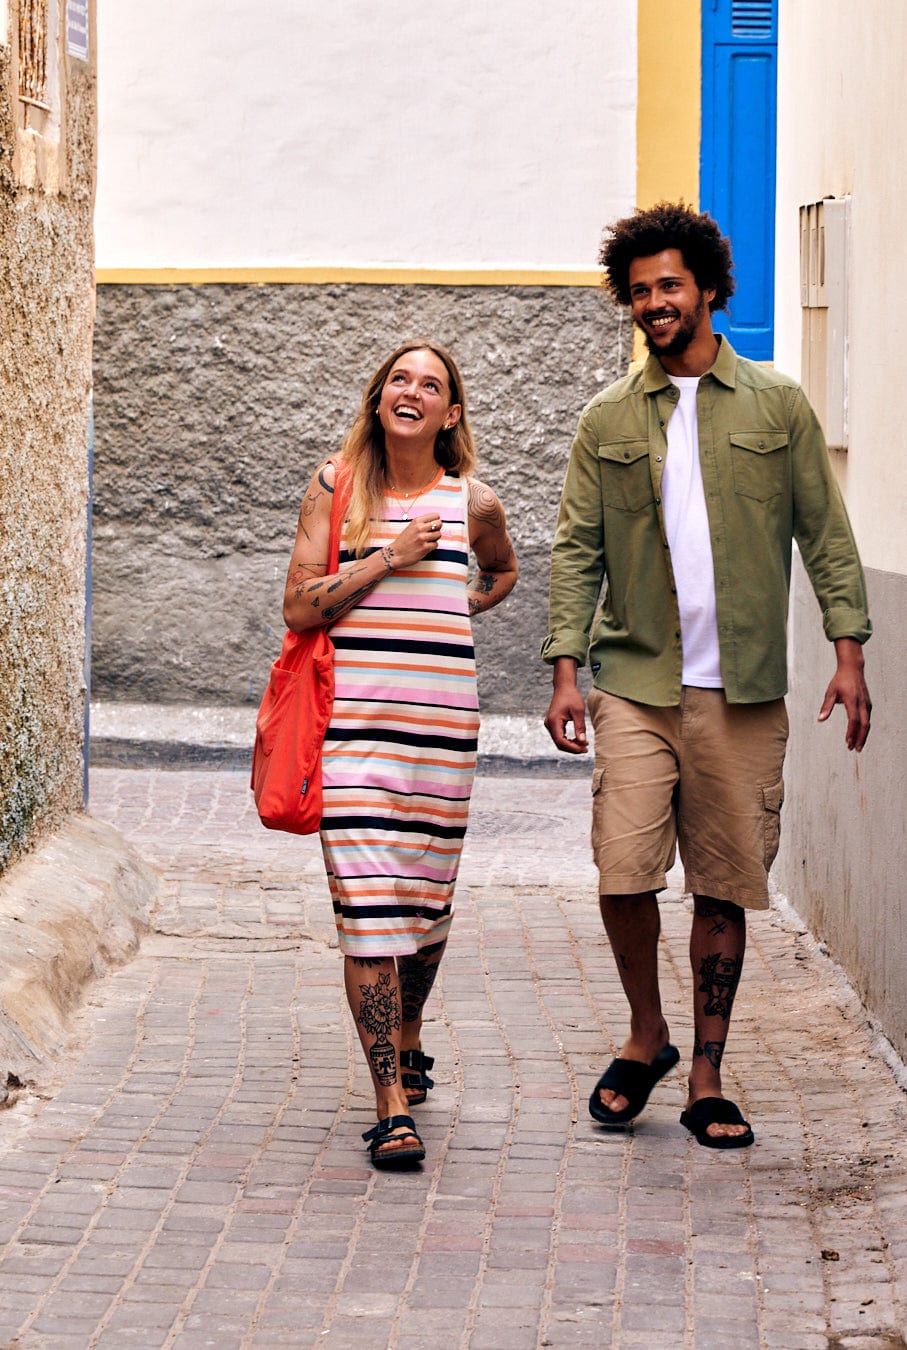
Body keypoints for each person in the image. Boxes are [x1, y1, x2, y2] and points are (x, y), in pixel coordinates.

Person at [542, 203, 871, 1149]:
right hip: (636, 681)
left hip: (743, 689)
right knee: (623, 869)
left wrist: (849, 652)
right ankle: (646, 1032)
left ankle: (707, 1072)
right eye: (639, 290)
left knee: (724, 884)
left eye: (669, 285)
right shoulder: (606, 419)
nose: (654, 302)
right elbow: (575, 552)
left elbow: (826, 536)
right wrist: (566, 671)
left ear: (710, 291)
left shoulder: (777, 405)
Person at [283, 341, 517, 1168]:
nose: (411, 390)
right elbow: (299, 604)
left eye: (432, 384)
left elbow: (503, 570)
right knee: (370, 916)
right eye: (399, 378)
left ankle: (409, 1034)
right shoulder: (335, 488)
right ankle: (389, 1105)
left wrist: (449, 616)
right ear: (378, 396)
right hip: (350, 738)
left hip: (443, 741)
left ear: (450, 414)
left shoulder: (473, 501)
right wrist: (391, 560)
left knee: (423, 908)